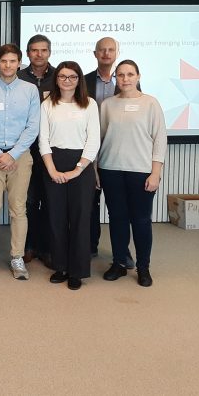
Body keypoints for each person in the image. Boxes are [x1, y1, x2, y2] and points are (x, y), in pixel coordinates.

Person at [98, 60, 166, 288]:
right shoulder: (107, 105)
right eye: (120, 75)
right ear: (115, 78)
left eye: (130, 74)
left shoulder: (151, 103)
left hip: (141, 171)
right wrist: (96, 168)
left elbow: (160, 140)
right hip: (110, 169)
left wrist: (155, 172)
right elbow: (100, 138)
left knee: (141, 220)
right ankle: (119, 263)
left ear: (138, 76)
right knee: (117, 218)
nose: (125, 79)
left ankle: (143, 267)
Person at [0, 44, 40, 280]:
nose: (8, 65)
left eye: (13, 61)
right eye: (4, 61)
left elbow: (33, 127)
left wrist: (12, 154)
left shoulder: (30, 91)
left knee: (18, 209)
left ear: (19, 63)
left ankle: (17, 257)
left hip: (20, 157)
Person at [39, 62, 100, 290]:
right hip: (53, 162)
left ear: (79, 79)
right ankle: (61, 267)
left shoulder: (89, 104)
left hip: (81, 165)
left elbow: (93, 140)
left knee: (80, 219)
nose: (67, 81)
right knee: (56, 218)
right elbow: (43, 140)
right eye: (62, 76)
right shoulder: (47, 104)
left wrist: (78, 169)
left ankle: (77, 271)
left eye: (72, 77)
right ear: (56, 79)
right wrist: (52, 170)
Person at [84, 37, 137, 267]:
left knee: (120, 208)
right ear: (95, 54)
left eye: (111, 50)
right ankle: (90, 246)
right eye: (102, 50)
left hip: (118, 151)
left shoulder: (127, 81)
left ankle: (123, 252)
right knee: (90, 204)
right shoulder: (84, 80)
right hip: (89, 150)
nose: (106, 53)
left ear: (116, 53)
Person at [17, 34, 55, 266]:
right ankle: (29, 245)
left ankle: (47, 248)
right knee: (29, 201)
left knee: (50, 200)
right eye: (34, 50)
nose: (39, 54)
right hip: (26, 148)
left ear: (49, 52)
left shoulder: (59, 76)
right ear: (28, 53)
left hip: (53, 148)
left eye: (43, 50)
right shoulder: (19, 77)